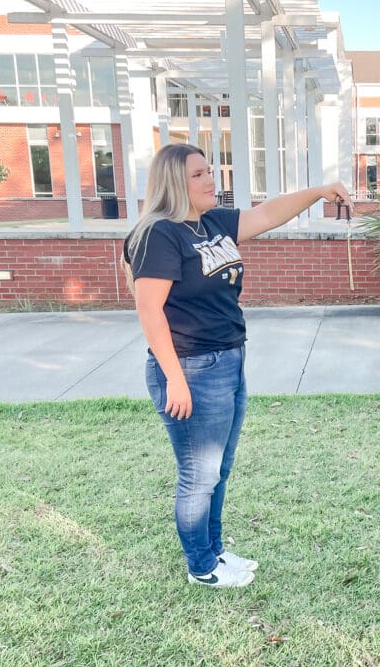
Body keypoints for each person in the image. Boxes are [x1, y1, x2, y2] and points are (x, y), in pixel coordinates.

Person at [123, 143, 351, 588]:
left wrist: (321, 191)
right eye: (198, 175)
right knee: (198, 473)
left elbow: (267, 214)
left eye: (210, 171)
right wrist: (175, 379)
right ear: (173, 182)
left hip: (228, 360)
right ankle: (201, 568)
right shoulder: (159, 234)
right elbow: (149, 311)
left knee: (218, 469)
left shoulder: (209, 223)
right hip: (190, 368)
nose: (211, 180)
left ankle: (214, 551)